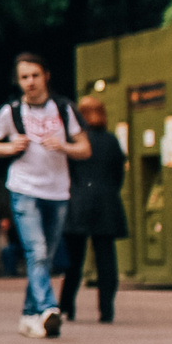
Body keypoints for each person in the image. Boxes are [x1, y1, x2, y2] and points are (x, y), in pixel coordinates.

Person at [0, 53, 90, 338]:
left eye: (35, 76)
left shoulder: (64, 109)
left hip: (57, 189)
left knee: (46, 255)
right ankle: (48, 308)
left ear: (46, 76)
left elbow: (85, 149)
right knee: (36, 250)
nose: (30, 82)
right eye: (24, 77)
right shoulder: (10, 112)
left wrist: (64, 146)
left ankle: (29, 315)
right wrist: (9, 147)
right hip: (23, 188)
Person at [59, 94, 127, 327]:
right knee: (106, 258)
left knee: (74, 260)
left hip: (78, 202)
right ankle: (106, 310)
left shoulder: (75, 141)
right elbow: (119, 174)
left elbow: (66, 172)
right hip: (107, 203)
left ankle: (67, 306)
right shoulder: (111, 141)